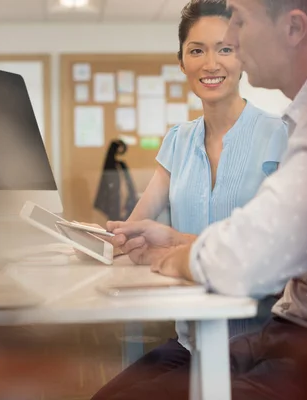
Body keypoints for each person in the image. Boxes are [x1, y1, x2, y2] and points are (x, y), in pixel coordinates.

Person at [94, 0, 307, 398]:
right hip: (306, 332)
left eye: (239, 22)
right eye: (200, 48)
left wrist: (173, 257)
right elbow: (271, 240)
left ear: (294, 28)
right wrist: (178, 243)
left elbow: (248, 257)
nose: (231, 41)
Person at [104, 0, 288, 347]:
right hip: (190, 341)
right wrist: (103, 240)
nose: (211, 63)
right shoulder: (178, 140)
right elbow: (133, 229)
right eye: (197, 50)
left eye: (225, 49)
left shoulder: (279, 135)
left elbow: (284, 260)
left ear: (243, 58)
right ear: (182, 62)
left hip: (261, 346)